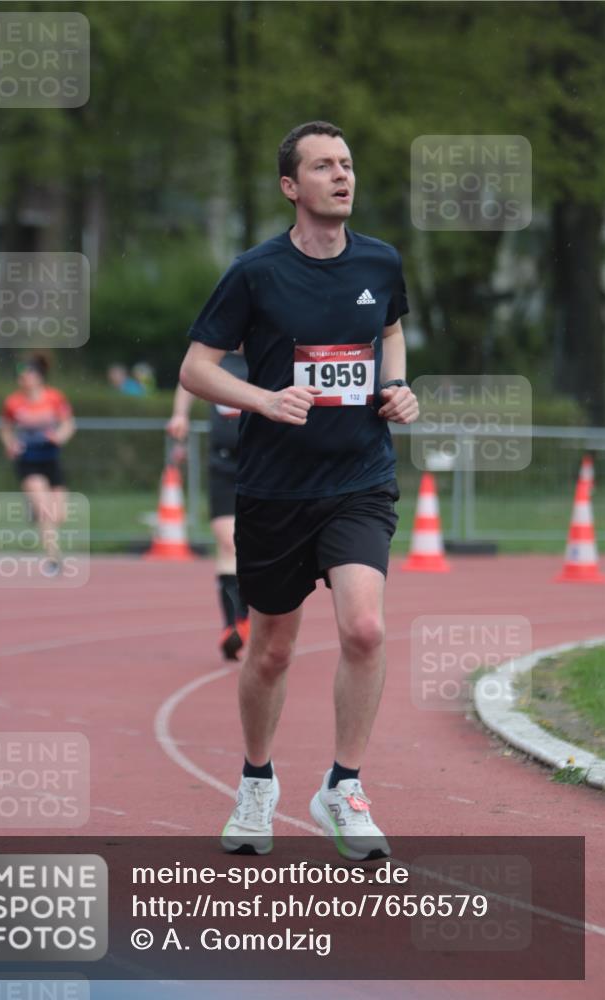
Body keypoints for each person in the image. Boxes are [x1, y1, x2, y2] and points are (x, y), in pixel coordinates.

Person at [179, 121, 419, 860]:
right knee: (272, 650)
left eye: (347, 164)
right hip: (275, 489)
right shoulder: (255, 272)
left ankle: (342, 787)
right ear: (291, 186)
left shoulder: (380, 261)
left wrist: (397, 387)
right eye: (323, 167)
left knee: (365, 629)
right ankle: (256, 782)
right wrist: (260, 399)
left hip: (358, 479)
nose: (341, 176)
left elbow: (390, 332)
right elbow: (196, 368)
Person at [167, 351, 250, 661]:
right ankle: (233, 625)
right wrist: (180, 415)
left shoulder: (267, 347)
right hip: (224, 465)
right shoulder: (216, 355)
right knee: (228, 541)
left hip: (265, 464)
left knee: (260, 545)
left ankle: (253, 616)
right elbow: (188, 377)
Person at [0, 354, 76, 576]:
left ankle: (35, 512)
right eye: (20, 376)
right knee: (44, 511)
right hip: (28, 461)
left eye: (28, 375)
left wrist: (59, 436)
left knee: (58, 514)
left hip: (50, 459)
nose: (24, 379)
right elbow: (4, 427)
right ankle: (53, 558)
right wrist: (10, 444)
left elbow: (69, 423)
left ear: (39, 377)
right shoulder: (13, 402)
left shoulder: (54, 398)